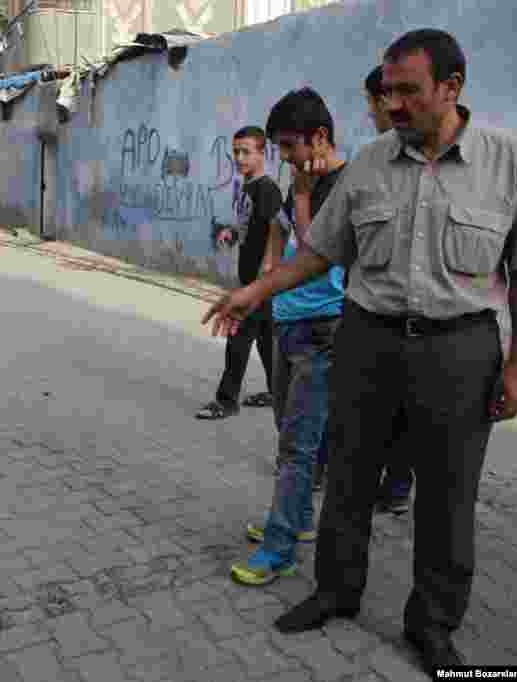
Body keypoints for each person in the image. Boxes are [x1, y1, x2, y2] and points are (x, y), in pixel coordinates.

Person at [204, 29, 517, 670]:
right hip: (368, 339)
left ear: (451, 88)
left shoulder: (510, 165)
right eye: (386, 91)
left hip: (459, 350)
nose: (391, 104)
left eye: (407, 91)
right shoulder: (369, 165)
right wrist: (254, 291)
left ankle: (434, 623)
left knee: (449, 496)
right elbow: (319, 253)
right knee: (347, 479)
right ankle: (336, 592)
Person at [211, 89, 346, 587]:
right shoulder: (300, 181)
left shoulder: (340, 184)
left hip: (322, 327)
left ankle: (280, 546)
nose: (284, 158)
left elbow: (316, 254)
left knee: (296, 445)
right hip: (288, 320)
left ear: (320, 138)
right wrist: (267, 271)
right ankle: (300, 520)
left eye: (289, 147)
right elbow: (281, 229)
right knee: (295, 437)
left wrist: (306, 193)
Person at [195, 126, 283, 421]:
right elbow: (252, 229)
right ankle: (277, 392)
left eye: (246, 152)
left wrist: (262, 279)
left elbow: (275, 231)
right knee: (267, 340)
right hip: (258, 283)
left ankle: (226, 400)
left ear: (262, 153)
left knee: (238, 337)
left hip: (259, 283)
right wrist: (231, 234)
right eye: (236, 152)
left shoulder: (267, 189)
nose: (240, 157)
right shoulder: (248, 188)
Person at [361, 64, 415, 515]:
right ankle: (394, 484)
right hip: (374, 322)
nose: (381, 109)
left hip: (419, 332)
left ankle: (397, 485)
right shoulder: (370, 162)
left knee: (399, 417)